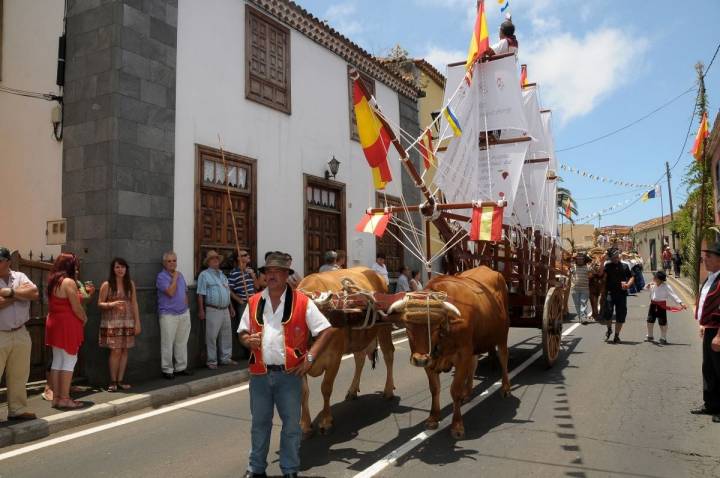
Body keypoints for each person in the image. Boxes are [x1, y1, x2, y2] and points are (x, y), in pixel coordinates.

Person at [238, 252, 333, 478]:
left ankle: (289, 469)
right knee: (259, 425)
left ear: (285, 275)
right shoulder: (254, 301)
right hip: (260, 375)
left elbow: (326, 330)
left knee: (291, 427)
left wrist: (310, 358)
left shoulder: (302, 301)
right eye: (267, 272)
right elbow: (242, 331)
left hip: (290, 375)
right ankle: (256, 468)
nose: (271, 276)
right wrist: (245, 340)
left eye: (276, 272)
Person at [42, 263, 94, 402]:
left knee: (58, 360)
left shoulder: (53, 281)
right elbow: (76, 307)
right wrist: (84, 317)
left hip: (54, 322)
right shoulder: (69, 281)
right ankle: (65, 398)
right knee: (70, 359)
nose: (77, 269)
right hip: (67, 323)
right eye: (75, 265)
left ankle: (57, 398)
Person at [0, 247, 39, 421]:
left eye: (0, 260)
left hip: (20, 331)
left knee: (19, 374)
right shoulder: (21, 281)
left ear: (8, 261)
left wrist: (11, 293)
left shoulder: (20, 277)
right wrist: (19, 295)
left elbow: (34, 293)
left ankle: (17, 410)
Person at [98, 257, 141, 391]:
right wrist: (112, 304)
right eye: (117, 267)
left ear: (126, 269)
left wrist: (137, 322)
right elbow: (99, 303)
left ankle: (120, 380)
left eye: (122, 267)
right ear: (113, 269)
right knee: (115, 350)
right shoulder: (107, 284)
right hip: (112, 321)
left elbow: (134, 303)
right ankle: (112, 381)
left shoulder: (130, 284)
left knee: (124, 350)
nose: (120, 269)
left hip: (127, 321)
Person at [691, 243, 720, 423]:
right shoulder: (711, 277)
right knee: (708, 368)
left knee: (719, 369)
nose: (705, 260)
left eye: (709, 257)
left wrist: (719, 335)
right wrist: (703, 323)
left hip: (718, 331)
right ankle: (710, 404)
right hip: (709, 328)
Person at [197, 250, 236, 369]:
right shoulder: (204, 275)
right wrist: (201, 310)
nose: (216, 260)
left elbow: (227, 292)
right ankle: (212, 361)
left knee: (226, 335)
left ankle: (225, 358)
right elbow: (200, 294)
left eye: (217, 259)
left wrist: (231, 307)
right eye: (213, 259)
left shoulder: (222, 275)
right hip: (213, 309)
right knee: (211, 336)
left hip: (225, 309)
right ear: (208, 262)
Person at [156, 251, 192, 379]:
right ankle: (167, 369)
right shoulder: (161, 277)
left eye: (174, 260)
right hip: (168, 315)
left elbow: (185, 292)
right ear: (164, 263)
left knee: (181, 342)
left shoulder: (180, 275)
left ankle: (181, 367)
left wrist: (186, 308)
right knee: (167, 343)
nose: (172, 263)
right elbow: (170, 292)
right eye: (169, 261)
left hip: (183, 313)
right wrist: (175, 278)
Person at [601, 248, 634, 343]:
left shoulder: (625, 266)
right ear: (610, 258)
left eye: (616, 256)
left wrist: (628, 285)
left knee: (621, 315)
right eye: (613, 257)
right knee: (608, 313)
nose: (615, 258)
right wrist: (603, 261)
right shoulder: (607, 266)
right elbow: (600, 273)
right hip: (610, 293)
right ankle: (609, 329)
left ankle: (616, 335)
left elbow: (631, 277)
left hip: (621, 294)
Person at [644, 271, 686, 344]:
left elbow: (673, 295)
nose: (654, 278)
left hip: (661, 305)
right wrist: (647, 287)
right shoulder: (653, 284)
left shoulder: (666, 286)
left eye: (656, 277)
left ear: (660, 279)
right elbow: (646, 289)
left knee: (662, 321)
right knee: (650, 320)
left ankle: (663, 337)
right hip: (653, 304)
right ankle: (650, 335)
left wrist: (681, 303)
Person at [571, 254, 591, 324]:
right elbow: (569, 273)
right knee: (577, 304)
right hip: (574, 289)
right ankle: (580, 317)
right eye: (578, 259)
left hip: (585, 288)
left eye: (581, 259)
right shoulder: (573, 267)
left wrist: (592, 267)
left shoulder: (587, 267)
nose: (580, 261)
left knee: (583, 303)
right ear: (576, 260)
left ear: (583, 260)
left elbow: (591, 273)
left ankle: (583, 317)